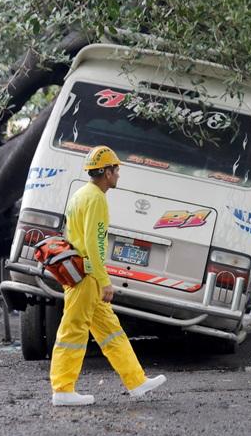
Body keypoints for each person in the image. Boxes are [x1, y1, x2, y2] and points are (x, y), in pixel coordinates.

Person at [50, 145, 166, 406]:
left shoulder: (81, 194)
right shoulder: (96, 199)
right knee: (73, 330)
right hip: (87, 278)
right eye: (115, 169)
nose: (118, 174)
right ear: (105, 172)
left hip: (80, 274)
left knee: (111, 331)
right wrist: (104, 281)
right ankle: (63, 389)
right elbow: (94, 244)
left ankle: (136, 381)